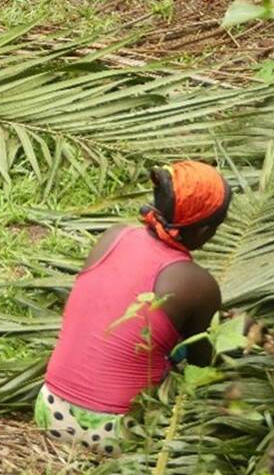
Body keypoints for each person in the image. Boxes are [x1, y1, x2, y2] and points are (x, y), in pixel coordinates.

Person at [34, 160, 231, 454]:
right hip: (116, 432)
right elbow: (204, 365)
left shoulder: (113, 236)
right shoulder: (198, 284)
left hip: (48, 409)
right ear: (203, 231)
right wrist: (235, 333)